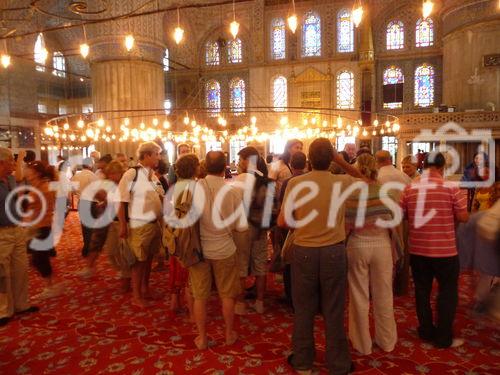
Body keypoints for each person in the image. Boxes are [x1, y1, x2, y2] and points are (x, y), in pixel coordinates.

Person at [278, 138, 353, 375]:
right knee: (333, 309)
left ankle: (302, 361)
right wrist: (338, 159)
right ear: (330, 158)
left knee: (304, 309)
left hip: (304, 251)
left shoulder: (296, 183)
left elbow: (283, 222)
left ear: (309, 159)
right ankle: (338, 365)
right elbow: (367, 178)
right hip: (333, 251)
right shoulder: (342, 181)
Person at [401, 152, 468, 348]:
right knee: (447, 292)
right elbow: (463, 217)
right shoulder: (452, 188)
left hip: (418, 250)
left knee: (422, 291)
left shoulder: (410, 188)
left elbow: (401, 214)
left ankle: (426, 331)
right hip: (445, 250)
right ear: (442, 168)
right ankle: (443, 337)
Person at [189, 151, 245, 350]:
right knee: (227, 294)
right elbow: (242, 226)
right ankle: (229, 334)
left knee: (200, 296)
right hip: (224, 249)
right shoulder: (232, 192)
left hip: (199, 251)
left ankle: (202, 338)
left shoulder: (195, 188)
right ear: (225, 168)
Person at [345, 154, 400, 355]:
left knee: (359, 295)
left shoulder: (351, 193)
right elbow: (395, 221)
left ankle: (362, 344)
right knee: (384, 294)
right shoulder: (385, 192)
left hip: (357, 243)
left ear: (358, 168)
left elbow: (345, 224)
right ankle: (386, 341)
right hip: (382, 244)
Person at [118, 142, 164, 307]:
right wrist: (123, 225)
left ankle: (145, 289)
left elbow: (160, 198)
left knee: (148, 259)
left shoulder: (153, 175)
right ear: (147, 155)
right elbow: (121, 201)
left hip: (153, 224)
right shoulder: (131, 174)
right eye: (156, 154)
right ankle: (136, 296)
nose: (159, 157)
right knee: (138, 262)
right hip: (138, 225)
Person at [0, 148, 38, 326]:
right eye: (11, 162)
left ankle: (22, 304)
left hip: (16, 229)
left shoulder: (10, 179)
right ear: (2, 162)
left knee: (20, 268)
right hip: (2, 232)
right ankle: (3, 311)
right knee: (3, 273)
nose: (14, 165)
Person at [233, 147, 270, 315]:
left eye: (242, 159)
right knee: (260, 265)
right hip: (261, 226)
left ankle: (240, 304)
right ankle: (260, 302)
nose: (240, 163)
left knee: (241, 265)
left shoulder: (240, 179)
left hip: (243, 227)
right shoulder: (265, 179)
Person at [76, 161, 126, 280]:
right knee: (108, 249)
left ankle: (125, 272)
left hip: (119, 220)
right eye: (111, 174)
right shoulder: (108, 184)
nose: (113, 176)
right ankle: (117, 269)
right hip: (106, 217)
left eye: (115, 173)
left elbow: (119, 202)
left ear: (120, 173)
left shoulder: (124, 185)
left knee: (121, 249)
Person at [24, 161, 64, 300]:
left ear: (36, 173)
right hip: (36, 226)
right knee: (37, 258)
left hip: (41, 226)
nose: (25, 172)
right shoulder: (36, 186)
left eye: (28, 170)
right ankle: (52, 284)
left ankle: (50, 286)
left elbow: (42, 209)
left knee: (39, 259)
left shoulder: (44, 188)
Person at [376, 150, 411, 296]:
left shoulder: (378, 177)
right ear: (391, 159)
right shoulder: (403, 176)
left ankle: (384, 287)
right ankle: (401, 286)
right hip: (403, 218)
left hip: (384, 220)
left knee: (386, 254)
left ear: (377, 162)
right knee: (403, 251)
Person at [168, 154, 199, 320]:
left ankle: (174, 301)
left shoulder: (176, 185)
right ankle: (193, 312)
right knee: (189, 273)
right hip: (187, 232)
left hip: (174, 230)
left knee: (175, 265)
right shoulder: (193, 187)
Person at [277, 151, 307, 308]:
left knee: (289, 263)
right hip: (308, 225)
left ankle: (290, 297)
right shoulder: (310, 181)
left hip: (292, 226)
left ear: (291, 164)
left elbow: (282, 207)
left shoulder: (289, 182)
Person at [71, 158, 98, 257]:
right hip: (91, 203)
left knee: (85, 227)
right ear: (90, 165)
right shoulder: (93, 176)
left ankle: (86, 247)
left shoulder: (76, 176)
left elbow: (73, 190)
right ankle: (89, 248)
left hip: (81, 202)